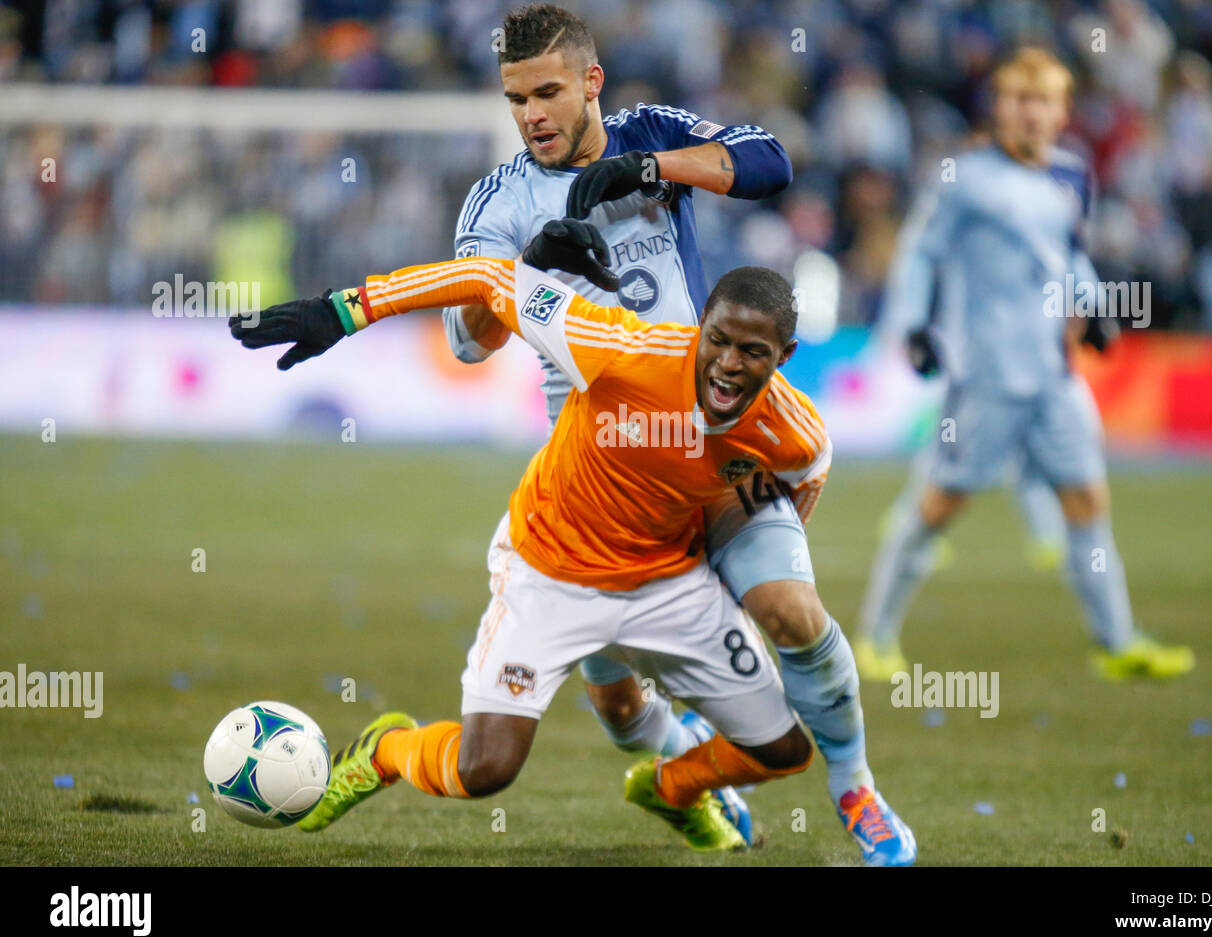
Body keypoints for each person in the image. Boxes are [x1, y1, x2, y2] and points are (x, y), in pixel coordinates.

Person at [229, 218, 915, 863]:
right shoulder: (620, 350)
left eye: (753, 352)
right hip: (550, 571)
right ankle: (387, 750)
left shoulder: (795, 435)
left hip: (666, 583)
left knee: (782, 750)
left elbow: (797, 491)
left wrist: (733, 578)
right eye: (719, 341)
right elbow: (492, 279)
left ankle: (671, 789)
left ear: (785, 356)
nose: (729, 365)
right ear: (699, 328)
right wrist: (346, 309)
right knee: (484, 770)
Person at [434, 3, 899, 859]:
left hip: (715, 450)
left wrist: (649, 168)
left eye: (547, 92)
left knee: (790, 611)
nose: (531, 115)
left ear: (590, 83)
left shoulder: (650, 132)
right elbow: (466, 341)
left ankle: (856, 788)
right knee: (617, 708)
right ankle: (678, 759)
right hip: (598, 480)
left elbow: (771, 160)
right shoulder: (497, 199)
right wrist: (534, 260)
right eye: (515, 100)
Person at [853, 47, 1194, 682]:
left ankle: (1117, 642)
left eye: (1042, 101)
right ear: (1000, 108)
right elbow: (920, 254)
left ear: (1063, 110)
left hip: (1054, 374)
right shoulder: (964, 177)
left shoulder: (1072, 176)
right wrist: (912, 327)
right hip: (986, 376)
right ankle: (872, 636)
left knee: (1089, 501)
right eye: (1017, 100)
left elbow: (1070, 257)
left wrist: (1094, 307)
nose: (1029, 113)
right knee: (938, 505)